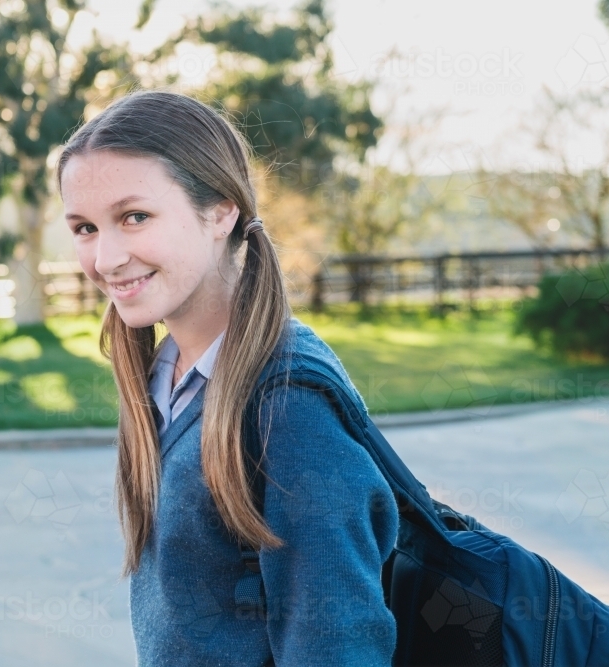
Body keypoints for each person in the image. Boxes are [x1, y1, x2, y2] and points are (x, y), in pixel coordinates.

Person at [57, 89, 399, 666]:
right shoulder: (165, 378)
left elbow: (337, 647)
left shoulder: (286, 411)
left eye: (134, 217)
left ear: (220, 210)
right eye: (85, 228)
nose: (107, 258)